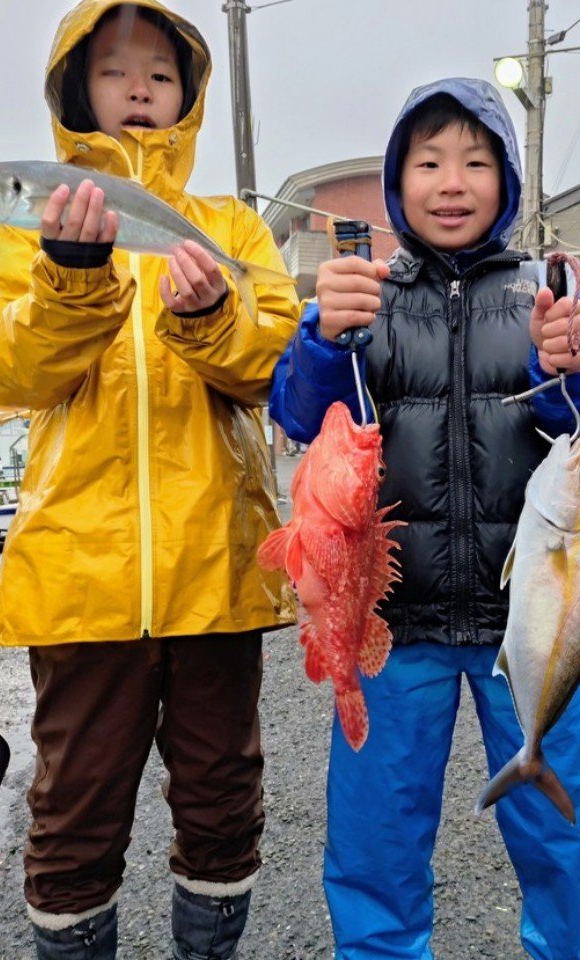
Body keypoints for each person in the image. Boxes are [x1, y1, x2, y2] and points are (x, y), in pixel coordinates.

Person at [0, 2, 299, 957]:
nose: (139, 91)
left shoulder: (229, 226)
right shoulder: (25, 228)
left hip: (219, 566)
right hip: (80, 577)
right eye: (116, 73)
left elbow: (270, 369)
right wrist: (73, 277)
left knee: (222, 795)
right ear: (78, 89)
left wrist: (210, 318)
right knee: (73, 810)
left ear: (188, 95)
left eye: (160, 75)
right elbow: (12, 372)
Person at [270, 78, 580, 960]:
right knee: (375, 847)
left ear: (508, 181)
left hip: (529, 625)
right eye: (430, 161)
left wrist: (575, 368)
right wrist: (323, 339)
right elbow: (300, 415)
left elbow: (573, 431)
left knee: (567, 842)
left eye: (477, 162)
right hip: (389, 629)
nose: (453, 181)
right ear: (398, 181)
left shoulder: (541, 299)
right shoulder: (367, 298)